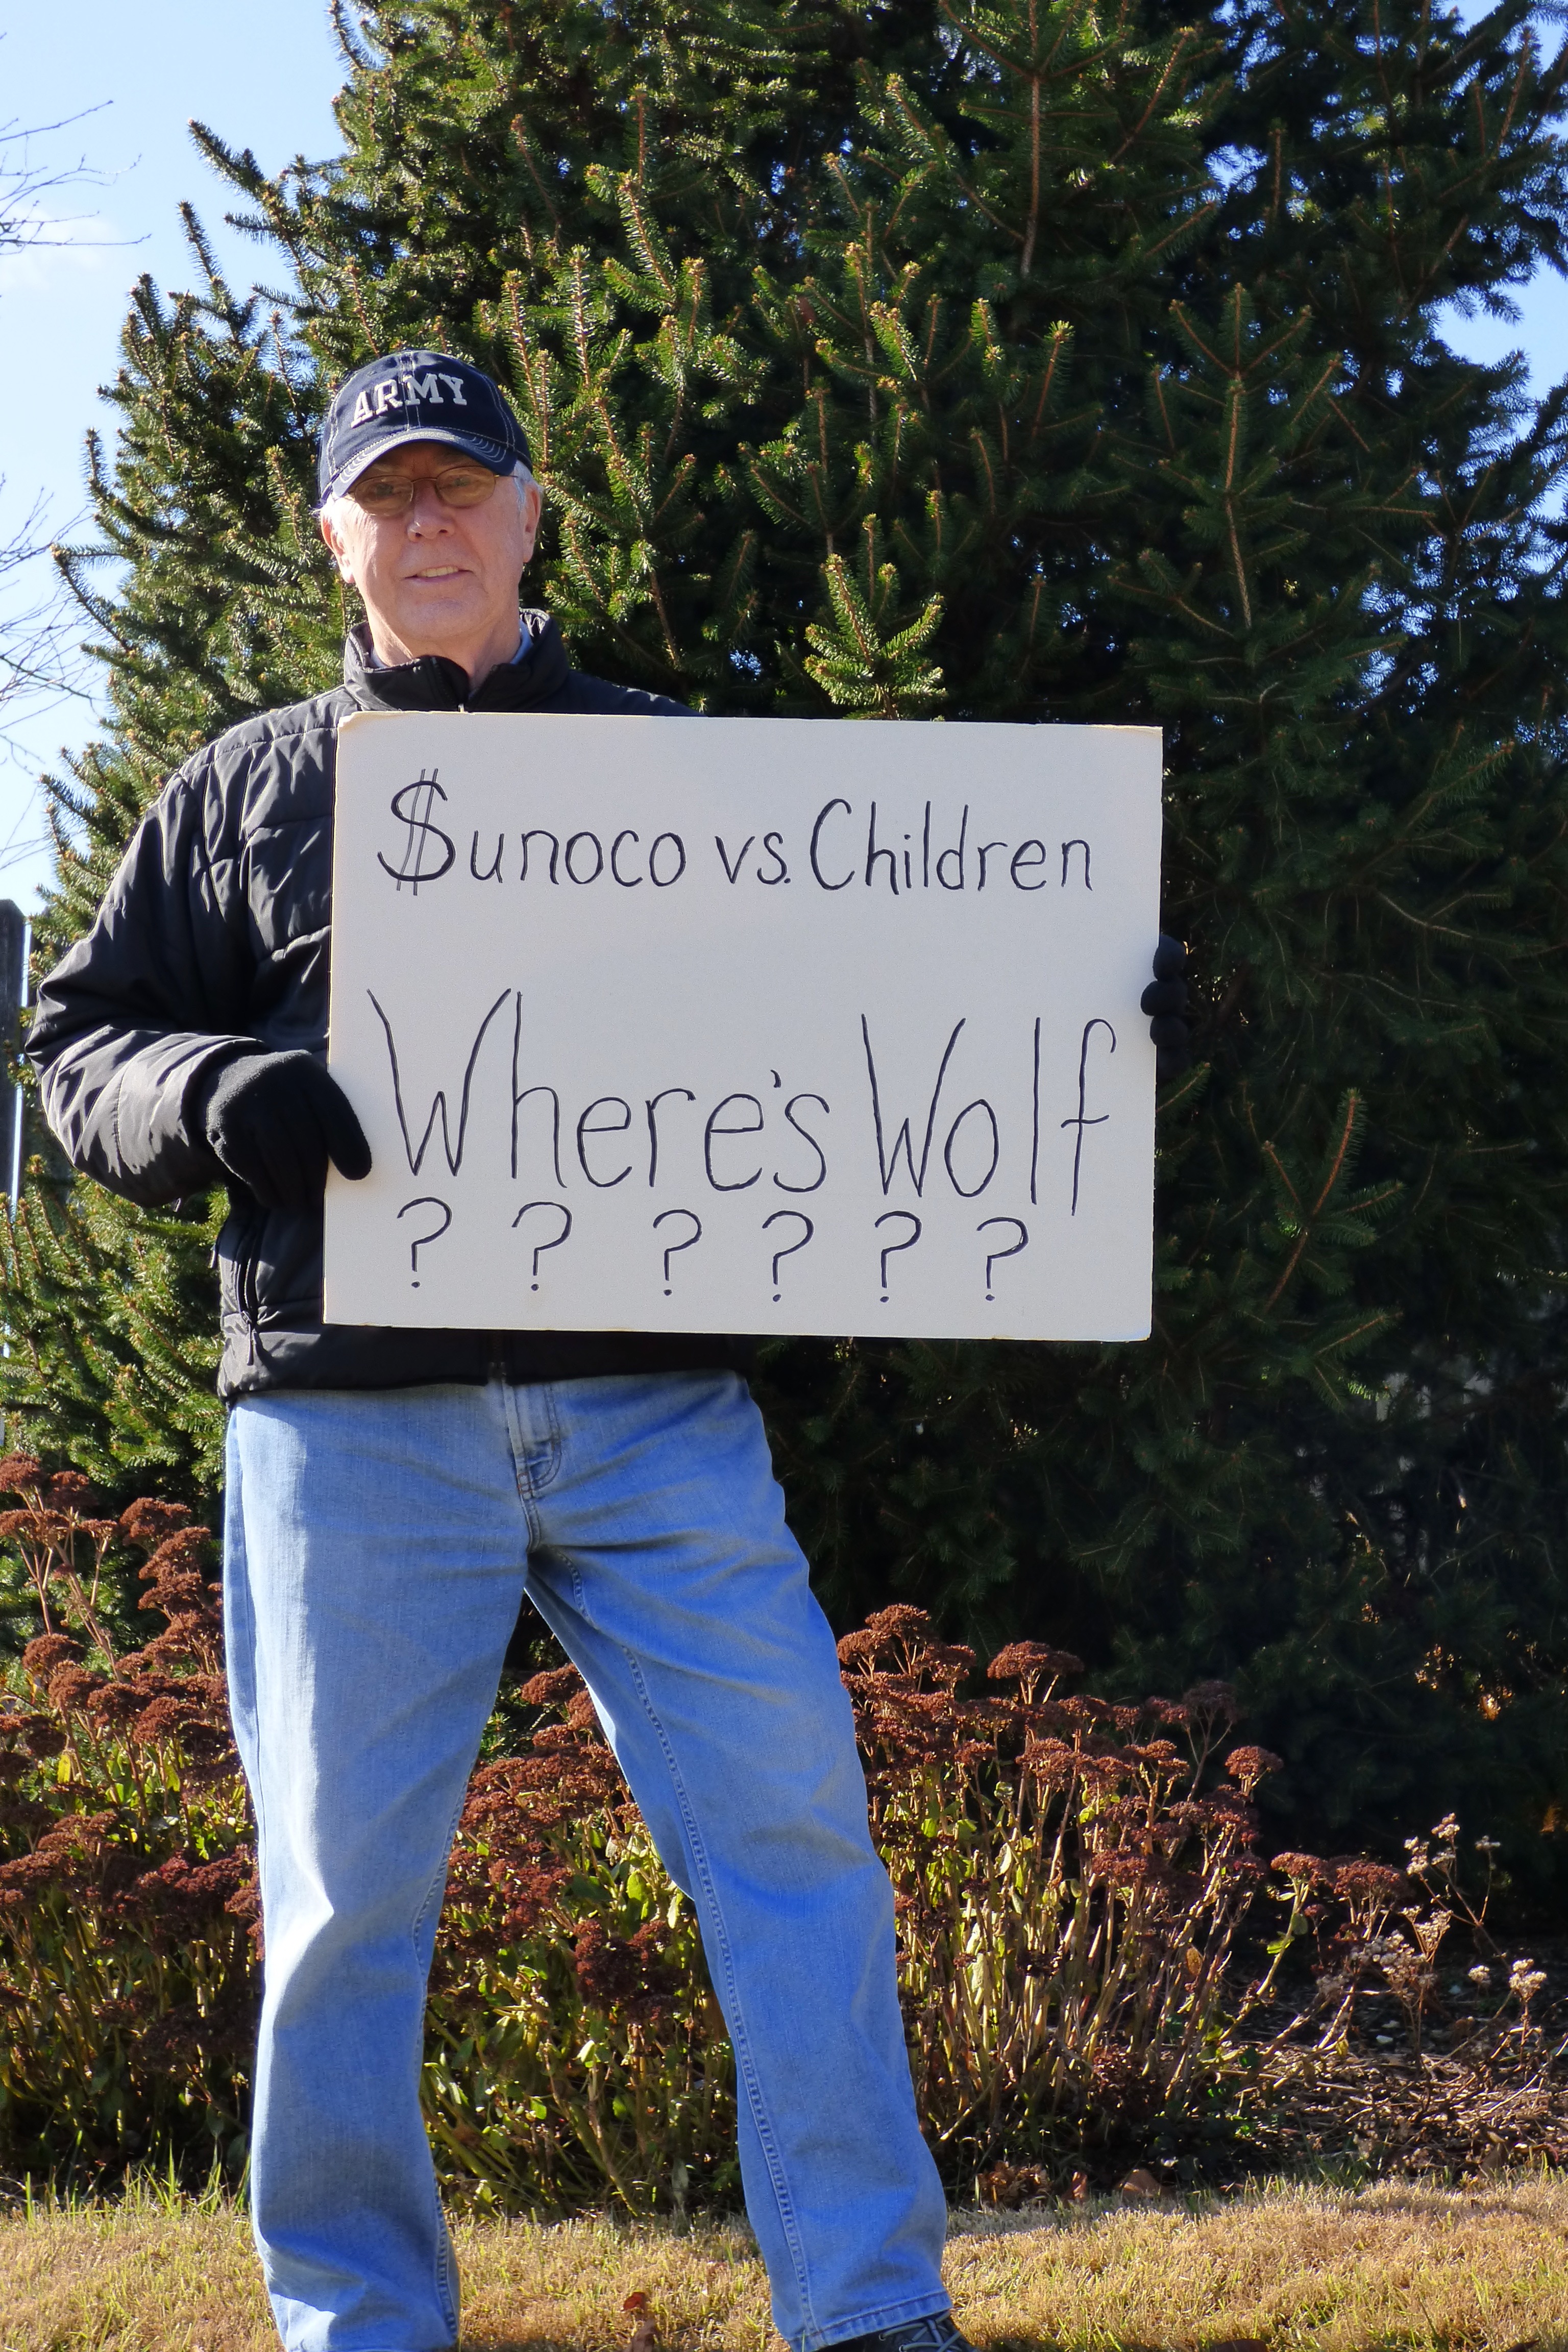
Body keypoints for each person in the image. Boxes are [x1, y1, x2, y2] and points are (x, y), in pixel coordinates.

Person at [29, 350, 1191, 2352]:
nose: (430, 526)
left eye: (463, 486)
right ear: (334, 538)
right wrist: (213, 1086)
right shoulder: (241, 788)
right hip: (348, 1435)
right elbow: (76, 1053)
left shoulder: (689, 777)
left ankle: (873, 2316)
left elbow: (888, 994)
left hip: (660, 1416)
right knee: (338, 1915)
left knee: (799, 1848)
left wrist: (1073, 992)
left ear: (532, 510)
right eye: (387, 497)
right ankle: (357, 2326)